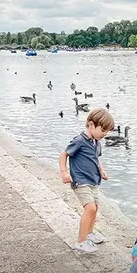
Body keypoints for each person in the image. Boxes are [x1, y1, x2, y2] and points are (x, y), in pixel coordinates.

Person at [59, 108, 115, 254]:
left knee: (95, 207)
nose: (105, 134)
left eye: (107, 131)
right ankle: (81, 241)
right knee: (89, 208)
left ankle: (89, 233)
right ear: (91, 125)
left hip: (93, 181)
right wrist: (64, 172)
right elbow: (64, 154)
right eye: (103, 130)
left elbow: (97, 159)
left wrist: (101, 170)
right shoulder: (80, 141)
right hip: (80, 180)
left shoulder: (97, 142)